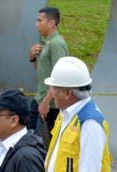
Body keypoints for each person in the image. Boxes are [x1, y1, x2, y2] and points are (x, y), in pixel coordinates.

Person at [28, 7, 68, 136]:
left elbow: (59, 77)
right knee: (28, 135)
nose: (36, 24)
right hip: (41, 99)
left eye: (40, 21)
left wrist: (45, 103)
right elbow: (44, 72)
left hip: (52, 104)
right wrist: (32, 58)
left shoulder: (57, 44)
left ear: (51, 23)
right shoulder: (47, 42)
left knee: (52, 142)